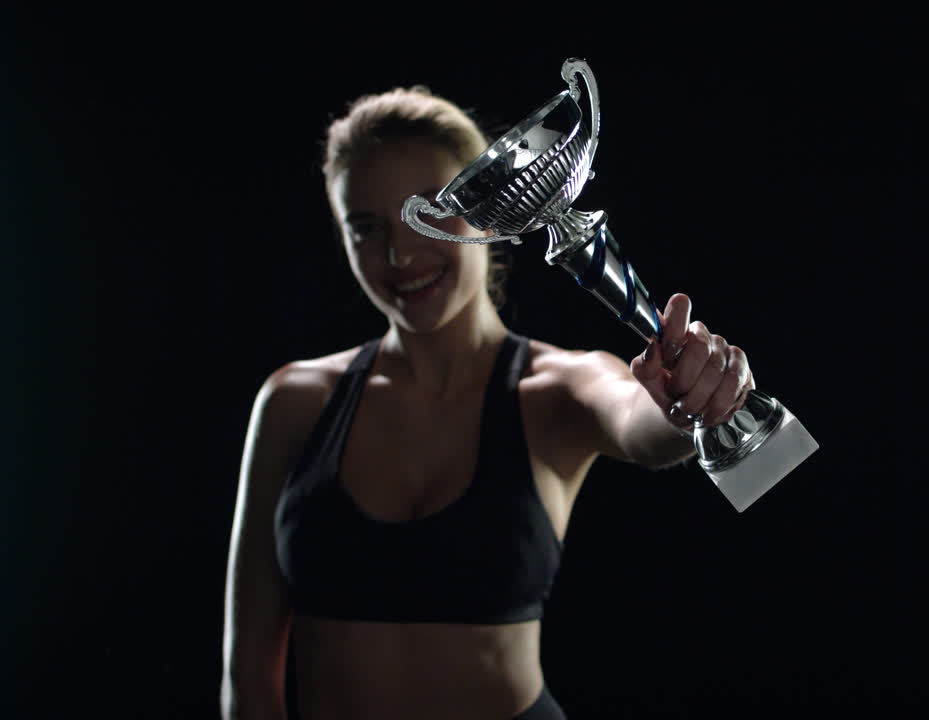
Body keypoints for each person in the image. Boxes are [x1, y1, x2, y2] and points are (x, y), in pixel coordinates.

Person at [220, 86, 754, 720]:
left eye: (428, 212)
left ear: (488, 207)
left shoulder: (556, 388)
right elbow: (249, 674)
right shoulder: (294, 402)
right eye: (365, 228)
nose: (400, 254)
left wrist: (687, 400)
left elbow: (639, 422)